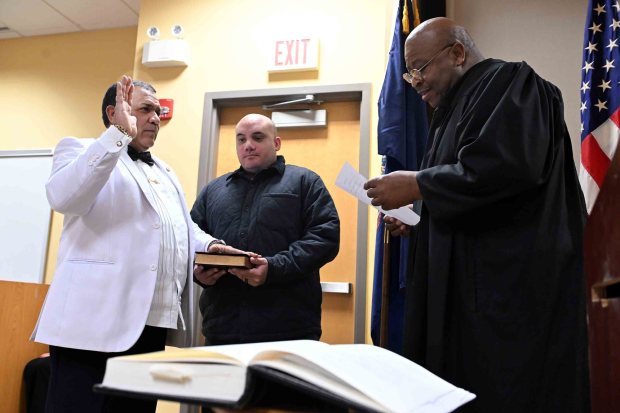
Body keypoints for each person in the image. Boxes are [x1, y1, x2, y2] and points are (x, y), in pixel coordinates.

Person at [364, 18, 589, 413]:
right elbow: (469, 200)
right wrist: (420, 221)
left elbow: (506, 169)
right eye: (409, 72)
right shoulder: (448, 115)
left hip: (506, 305)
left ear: (457, 52)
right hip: (464, 302)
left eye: (420, 68)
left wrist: (419, 185)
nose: (414, 82)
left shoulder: (512, 84)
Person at [32, 75, 236, 413]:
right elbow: (63, 197)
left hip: (151, 325)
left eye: (158, 111)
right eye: (145, 110)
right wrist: (117, 137)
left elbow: (179, 227)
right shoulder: (81, 149)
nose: (156, 119)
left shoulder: (165, 171)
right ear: (114, 113)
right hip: (92, 324)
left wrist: (211, 246)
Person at [191, 113, 340, 345]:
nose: (248, 145)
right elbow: (190, 239)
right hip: (222, 329)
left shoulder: (305, 182)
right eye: (241, 140)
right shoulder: (213, 191)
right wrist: (198, 274)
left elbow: (324, 238)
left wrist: (273, 269)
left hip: (289, 330)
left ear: (276, 143)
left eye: (257, 137)